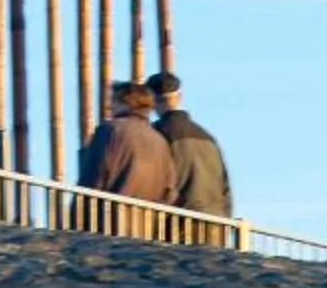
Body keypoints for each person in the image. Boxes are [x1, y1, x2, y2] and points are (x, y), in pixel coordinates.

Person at [77, 80, 176, 228]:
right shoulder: (160, 141)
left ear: (125, 102)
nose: (109, 107)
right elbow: (169, 191)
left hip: (109, 224)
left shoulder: (109, 130)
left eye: (113, 101)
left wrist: (76, 221)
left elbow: (93, 177)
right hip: (147, 229)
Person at [150, 70, 233, 219]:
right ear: (180, 97)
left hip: (178, 223)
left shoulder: (155, 135)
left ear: (152, 100)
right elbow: (225, 188)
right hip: (215, 221)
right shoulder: (207, 138)